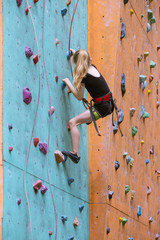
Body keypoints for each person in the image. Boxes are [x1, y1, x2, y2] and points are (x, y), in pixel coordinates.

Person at [54, 49, 114, 164]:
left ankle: (75, 154)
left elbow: (79, 97)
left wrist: (68, 83)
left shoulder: (84, 76)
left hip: (101, 108)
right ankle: (87, 119)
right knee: (77, 122)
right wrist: (76, 53)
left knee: (73, 122)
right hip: (107, 104)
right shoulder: (92, 67)